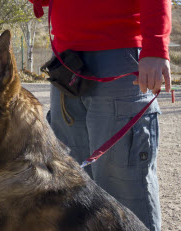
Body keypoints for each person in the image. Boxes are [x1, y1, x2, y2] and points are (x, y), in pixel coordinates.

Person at [30, 0, 172, 230]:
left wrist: (155, 48)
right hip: (66, 63)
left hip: (118, 56)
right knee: (73, 186)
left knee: (124, 183)